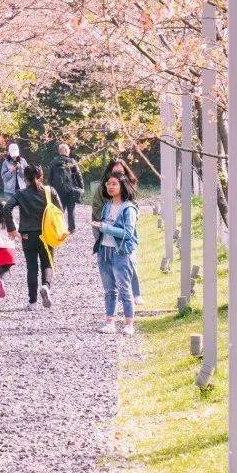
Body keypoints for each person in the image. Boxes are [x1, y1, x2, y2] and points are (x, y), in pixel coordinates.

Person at [3, 163, 63, 308]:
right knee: (47, 264)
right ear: (41, 176)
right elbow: (60, 211)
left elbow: (6, 208)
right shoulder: (50, 191)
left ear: (25, 178)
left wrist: (11, 228)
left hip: (27, 236)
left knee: (31, 267)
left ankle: (32, 302)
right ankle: (46, 287)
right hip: (46, 234)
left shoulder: (21, 194)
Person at [91, 172, 139, 336]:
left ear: (122, 186)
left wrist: (105, 227)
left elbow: (128, 233)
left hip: (121, 253)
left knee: (125, 289)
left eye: (114, 184)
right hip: (104, 251)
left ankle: (129, 324)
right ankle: (110, 322)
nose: (110, 187)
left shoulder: (129, 208)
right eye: (108, 184)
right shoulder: (107, 205)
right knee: (109, 290)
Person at [48, 142, 84, 234]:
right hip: (71, 189)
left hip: (58, 190)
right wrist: (81, 187)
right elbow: (78, 175)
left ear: (59, 152)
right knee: (71, 209)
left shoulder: (53, 163)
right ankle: (71, 228)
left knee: (59, 209)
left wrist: (52, 189)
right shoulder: (71, 162)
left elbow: (50, 178)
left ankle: (59, 227)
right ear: (67, 151)